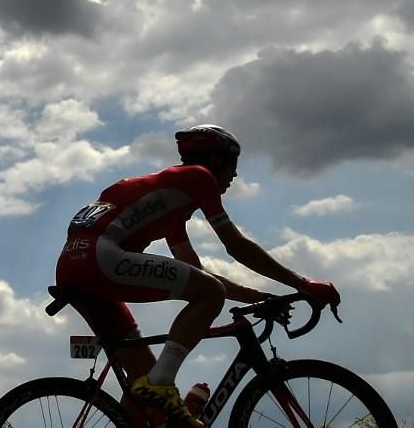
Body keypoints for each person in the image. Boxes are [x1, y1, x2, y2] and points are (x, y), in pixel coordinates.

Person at [55, 124, 340, 427]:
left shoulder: (168, 201)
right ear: (217, 161)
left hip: (73, 267)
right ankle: (162, 382)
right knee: (205, 301)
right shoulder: (198, 177)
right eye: (233, 167)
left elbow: (196, 272)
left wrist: (259, 297)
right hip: (101, 257)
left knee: (143, 388)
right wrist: (303, 284)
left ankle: (153, 390)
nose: (234, 177)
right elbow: (235, 246)